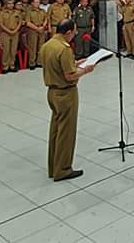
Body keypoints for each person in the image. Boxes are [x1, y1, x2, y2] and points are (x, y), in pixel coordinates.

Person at [41, 18, 96, 181]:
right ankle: (63, 169)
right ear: (68, 32)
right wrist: (86, 70)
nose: (75, 34)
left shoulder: (48, 45)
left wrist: (75, 62)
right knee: (66, 133)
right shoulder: (64, 49)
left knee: (56, 131)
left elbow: (58, 66)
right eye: (74, 31)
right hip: (66, 94)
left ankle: (53, 167)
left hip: (52, 92)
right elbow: (69, 75)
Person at [0, 0, 23, 72]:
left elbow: (20, 22)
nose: (11, 5)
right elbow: (0, 24)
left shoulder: (17, 13)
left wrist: (15, 30)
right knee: (6, 50)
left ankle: (12, 65)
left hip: (15, 32)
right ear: (6, 4)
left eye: (12, 3)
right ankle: (5, 66)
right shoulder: (2, 13)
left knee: (13, 49)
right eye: (9, 3)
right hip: (5, 33)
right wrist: (8, 31)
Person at [24, 0, 48, 70]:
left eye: (38, 2)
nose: (37, 4)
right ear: (32, 3)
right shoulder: (29, 11)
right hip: (32, 30)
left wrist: (43, 26)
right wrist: (37, 28)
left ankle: (39, 62)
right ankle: (32, 63)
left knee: (41, 46)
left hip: (42, 29)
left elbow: (46, 19)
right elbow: (28, 22)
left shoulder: (43, 11)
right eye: (35, 2)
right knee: (32, 47)